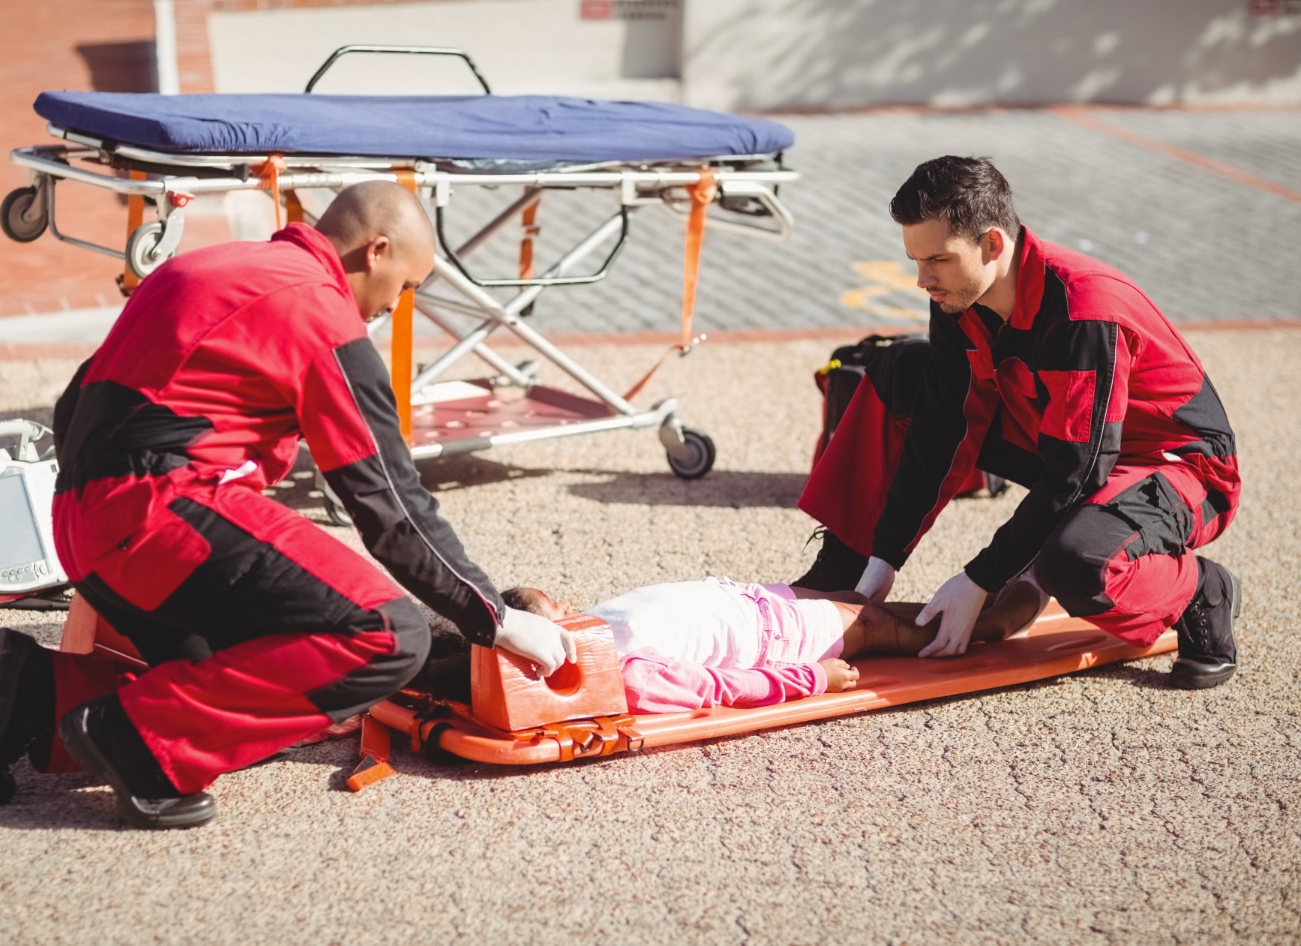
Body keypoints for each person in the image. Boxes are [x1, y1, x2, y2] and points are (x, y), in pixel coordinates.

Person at [0, 182, 576, 829]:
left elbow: (73, 404)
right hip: (159, 518)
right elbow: (392, 505)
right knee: (388, 635)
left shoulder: (201, 268)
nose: (393, 309)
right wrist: (494, 619)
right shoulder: (320, 311)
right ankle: (139, 738)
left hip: (81, 525)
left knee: (250, 684)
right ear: (376, 250)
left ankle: (43, 693)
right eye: (402, 287)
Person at [793, 156, 1241, 689]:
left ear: (992, 245)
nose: (922, 279)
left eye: (937, 258)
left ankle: (1200, 589)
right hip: (1071, 445)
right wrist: (882, 559)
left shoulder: (1082, 310)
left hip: (1179, 468)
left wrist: (981, 578)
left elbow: (1077, 472)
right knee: (900, 370)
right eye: (914, 259)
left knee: (1074, 562)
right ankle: (844, 570)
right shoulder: (958, 293)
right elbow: (942, 428)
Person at [415, 574, 1048, 714]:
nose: (563, 603)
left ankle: (990, 603)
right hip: (781, 637)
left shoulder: (591, 631)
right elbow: (718, 688)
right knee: (887, 627)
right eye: (554, 608)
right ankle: (995, 621)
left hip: (758, 600)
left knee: (867, 607)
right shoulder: (620, 672)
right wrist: (813, 679)